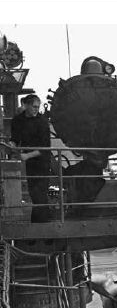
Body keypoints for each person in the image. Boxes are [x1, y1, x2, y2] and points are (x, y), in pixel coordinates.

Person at [10, 94, 52, 222]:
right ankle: (42, 227)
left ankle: (42, 226)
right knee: (35, 194)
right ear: (26, 105)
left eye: (37, 107)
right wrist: (12, 146)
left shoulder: (42, 122)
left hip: (42, 161)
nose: (36, 110)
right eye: (34, 107)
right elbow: (15, 139)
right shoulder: (18, 121)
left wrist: (27, 155)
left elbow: (46, 147)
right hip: (30, 162)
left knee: (40, 194)